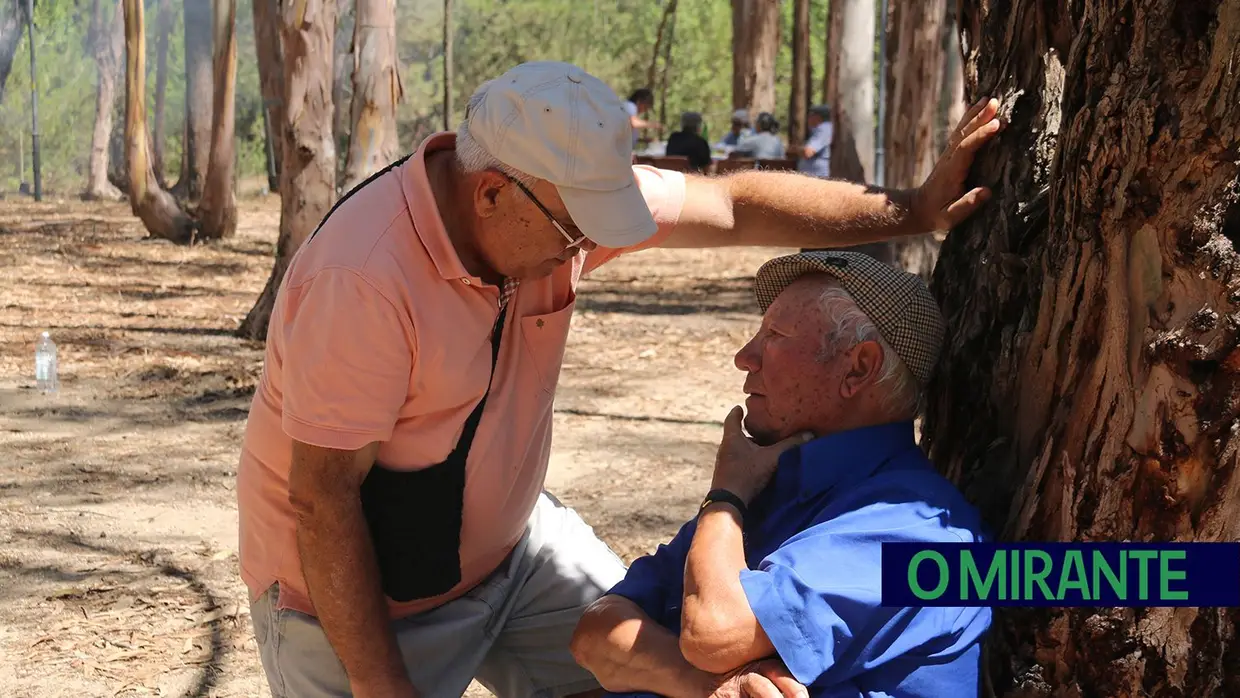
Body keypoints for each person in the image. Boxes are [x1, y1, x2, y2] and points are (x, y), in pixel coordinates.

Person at [236, 58, 1002, 698]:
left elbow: (731, 204)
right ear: (494, 193)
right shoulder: (363, 279)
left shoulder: (905, 528)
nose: (589, 249)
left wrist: (914, 209)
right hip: (360, 601)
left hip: (511, 551)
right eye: (577, 229)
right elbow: (323, 497)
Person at [570, 250, 992, 698]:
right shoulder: (775, 484)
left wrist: (725, 498)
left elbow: (714, 631)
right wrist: (709, 686)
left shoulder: (915, 530)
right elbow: (595, 632)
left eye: (775, 335)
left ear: (858, 368)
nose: (744, 357)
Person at [798, 104, 834, 178]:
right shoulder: (825, 128)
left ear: (817, 117)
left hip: (817, 176)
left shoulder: (824, 128)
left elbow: (808, 152)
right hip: (815, 175)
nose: (808, 119)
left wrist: (795, 149)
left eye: (810, 115)